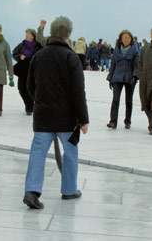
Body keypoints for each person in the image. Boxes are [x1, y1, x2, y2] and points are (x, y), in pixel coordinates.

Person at [23, 16, 89, 209]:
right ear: (68, 34)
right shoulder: (71, 57)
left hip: (43, 114)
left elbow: (30, 86)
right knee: (70, 153)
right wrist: (83, 119)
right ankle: (69, 190)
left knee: (38, 152)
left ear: (51, 32)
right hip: (67, 117)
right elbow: (78, 91)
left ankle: (32, 191)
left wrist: (40, 100)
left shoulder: (39, 56)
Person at [106, 30, 139, 129]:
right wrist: (110, 78)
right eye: (125, 37)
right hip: (117, 77)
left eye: (128, 38)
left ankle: (127, 121)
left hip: (129, 78)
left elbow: (136, 65)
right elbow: (113, 64)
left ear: (131, 39)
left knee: (128, 100)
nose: (126, 39)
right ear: (121, 39)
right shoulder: (116, 49)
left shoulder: (135, 50)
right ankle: (113, 121)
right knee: (115, 100)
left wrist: (135, 76)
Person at [12, 29, 43, 115]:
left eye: (28, 34)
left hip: (34, 70)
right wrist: (19, 56)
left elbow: (42, 56)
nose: (27, 35)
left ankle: (30, 107)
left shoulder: (38, 46)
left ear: (33, 36)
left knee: (31, 88)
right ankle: (29, 105)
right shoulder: (21, 45)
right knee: (21, 88)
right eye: (26, 34)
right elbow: (14, 53)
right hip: (23, 69)